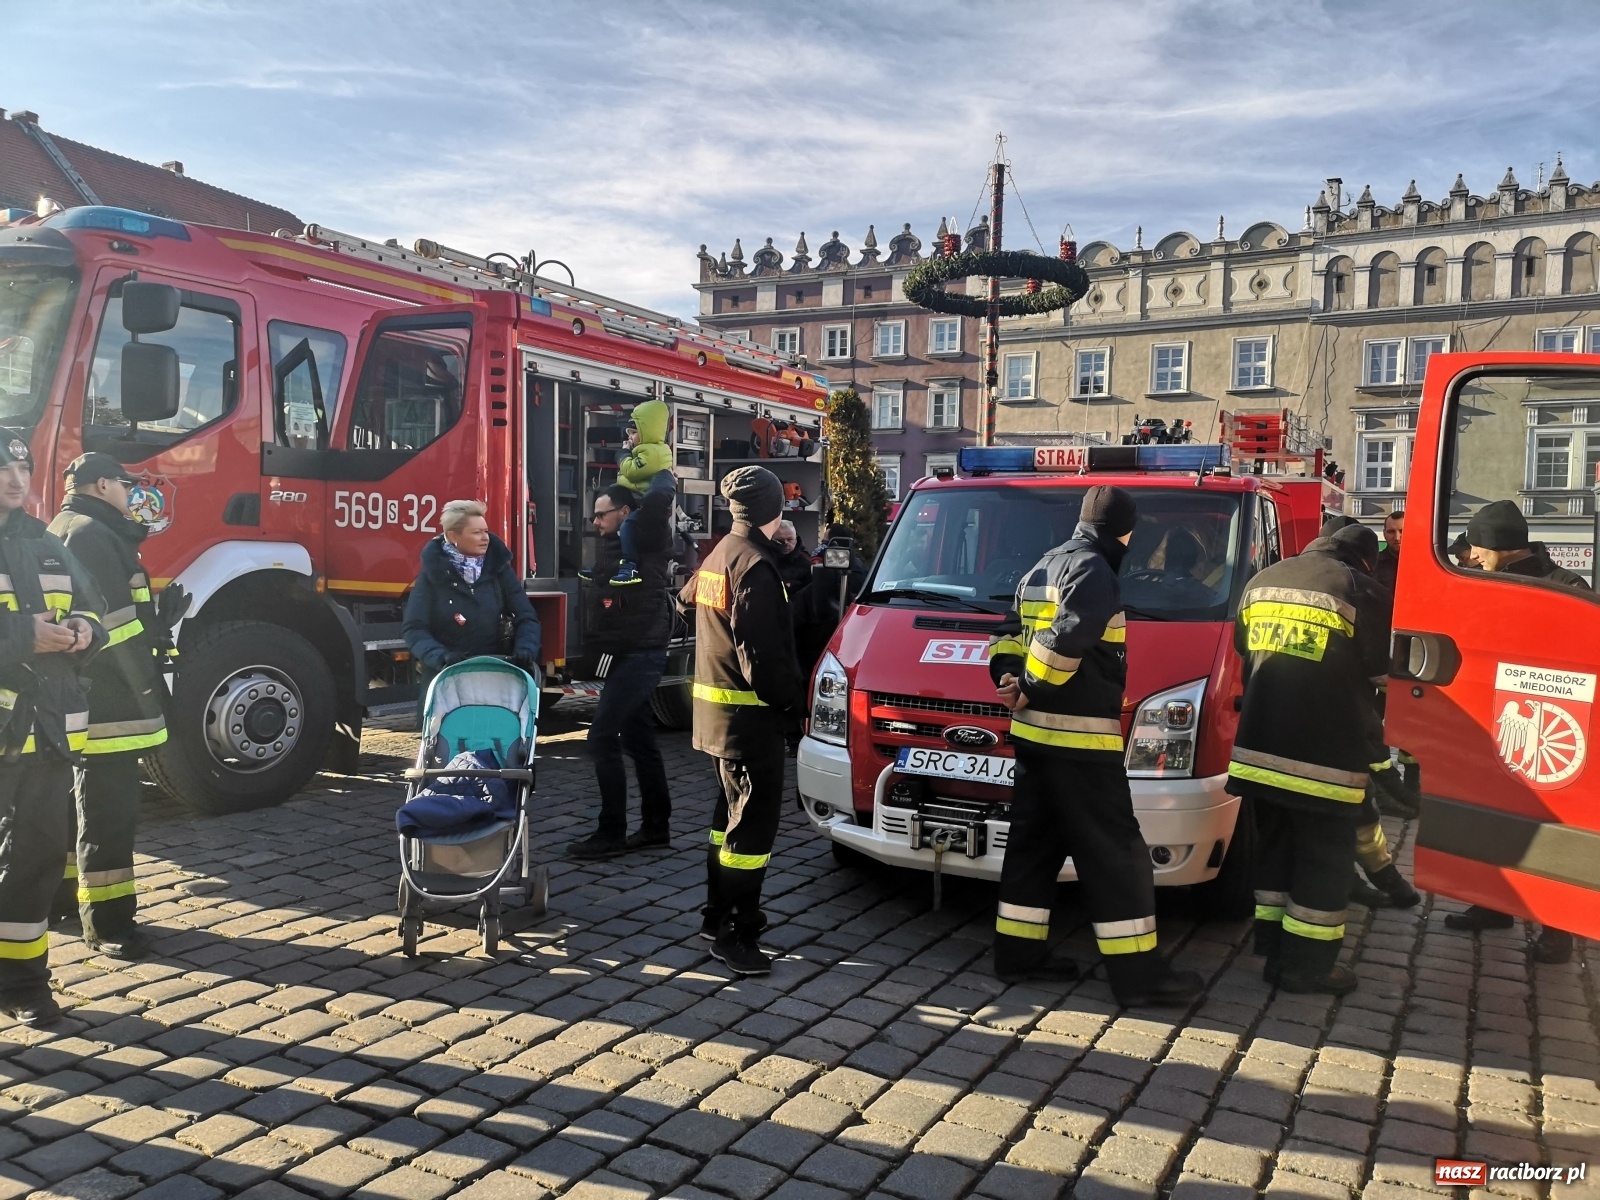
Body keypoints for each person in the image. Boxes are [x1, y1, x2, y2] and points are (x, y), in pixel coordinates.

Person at [987, 485, 1203, 1006]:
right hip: (1080, 741)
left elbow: (1008, 632)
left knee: (1032, 850)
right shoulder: (1094, 570)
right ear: (1124, 531)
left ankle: (1018, 956)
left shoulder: (1044, 564)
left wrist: (1010, 678)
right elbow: (1067, 638)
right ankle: (1139, 978)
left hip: (1035, 739)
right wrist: (1033, 685)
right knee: (1117, 854)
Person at [1228, 521, 1393, 995]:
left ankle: (1274, 952)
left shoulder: (1263, 581)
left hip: (1258, 750)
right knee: (1324, 862)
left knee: (1275, 852)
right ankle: (1309, 967)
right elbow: (1384, 673)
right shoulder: (1362, 589)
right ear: (1365, 559)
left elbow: (1247, 650)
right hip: (1325, 759)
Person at [1444, 499, 1590, 964]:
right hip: (1495, 720)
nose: (1472, 557)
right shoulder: (1489, 581)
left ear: (1494, 545)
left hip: (1546, 727)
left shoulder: (1567, 588)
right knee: (1489, 817)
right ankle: (1493, 904)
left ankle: (1557, 927)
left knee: (1549, 827)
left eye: (1476, 547)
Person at [47, 453, 177, 959]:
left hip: (86, 698)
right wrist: (151, 638)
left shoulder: (69, 526)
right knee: (109, 811)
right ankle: (109, 923)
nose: (130, 493)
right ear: (103, 484)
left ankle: (60, 900)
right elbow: (110, 627)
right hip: (110, 703)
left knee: (71, 805)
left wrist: (153, 622)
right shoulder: (93, 535)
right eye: (126, 484)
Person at [678, 466, 804, 976]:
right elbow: (764, 662)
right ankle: (735, 932)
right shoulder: (757, 565)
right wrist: (795, 706)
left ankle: (717, 915)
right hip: (751, 725)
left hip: (717, 718)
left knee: (724, 824)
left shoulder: (720, 554)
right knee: (749, 834)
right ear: (776, 509)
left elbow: (687, 600)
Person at [0, 433, 108, 1025]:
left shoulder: (46, 543)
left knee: (39, 855)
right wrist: (22, 636)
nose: (16, 479)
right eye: (3, 468)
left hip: (48, 733)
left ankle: (24, 984)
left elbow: (94, 609)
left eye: (22, 466)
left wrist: (88, 633)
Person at [566, 477, 677, 861]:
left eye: (601, 514)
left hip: (641, 653)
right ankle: (655, 827)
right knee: (640, 740)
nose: (595, 522)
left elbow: (662, 496)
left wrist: (655, 461)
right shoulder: (614, 546)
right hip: (627, 653)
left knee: (600, 739)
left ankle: (611, 831)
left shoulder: (644, 536)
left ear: (625, 513)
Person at [403, 500, 541, 725]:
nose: (485, 537)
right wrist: (442, 657)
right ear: (453, 535)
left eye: (486, 531)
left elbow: (527, 618)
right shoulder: (432, 575)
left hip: (496, 678)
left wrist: (525, 649)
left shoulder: (499, 570)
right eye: (476, 532)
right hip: (447, 680)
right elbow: (414, 629)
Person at [791, 524, 869, 679]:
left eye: (826, 542)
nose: (822, 546)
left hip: (826, 643)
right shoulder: (851, 569)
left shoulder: (848, 575)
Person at [609, 400, 673, 587]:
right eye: (629, 433)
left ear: (648, 431)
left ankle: (629, 566)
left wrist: (623, 454)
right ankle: (606, 566)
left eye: (634, 432)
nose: (630, 437)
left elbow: (632, 471)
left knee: (628, 526)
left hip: (644, 504)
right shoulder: (646, 449)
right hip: (636, 498)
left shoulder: (654, 452)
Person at [770, 521, 813, 593]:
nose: (785, 544)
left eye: (790, 539)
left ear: (796, 539)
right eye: (780, 540)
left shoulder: (805, 561)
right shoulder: (764, 558)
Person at [1373, 509, 1404, 591]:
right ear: (1384, 534)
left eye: (1402, 531)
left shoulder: (1427, 563)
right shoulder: (1374, 565)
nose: (1397, 538)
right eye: (1391, 532)